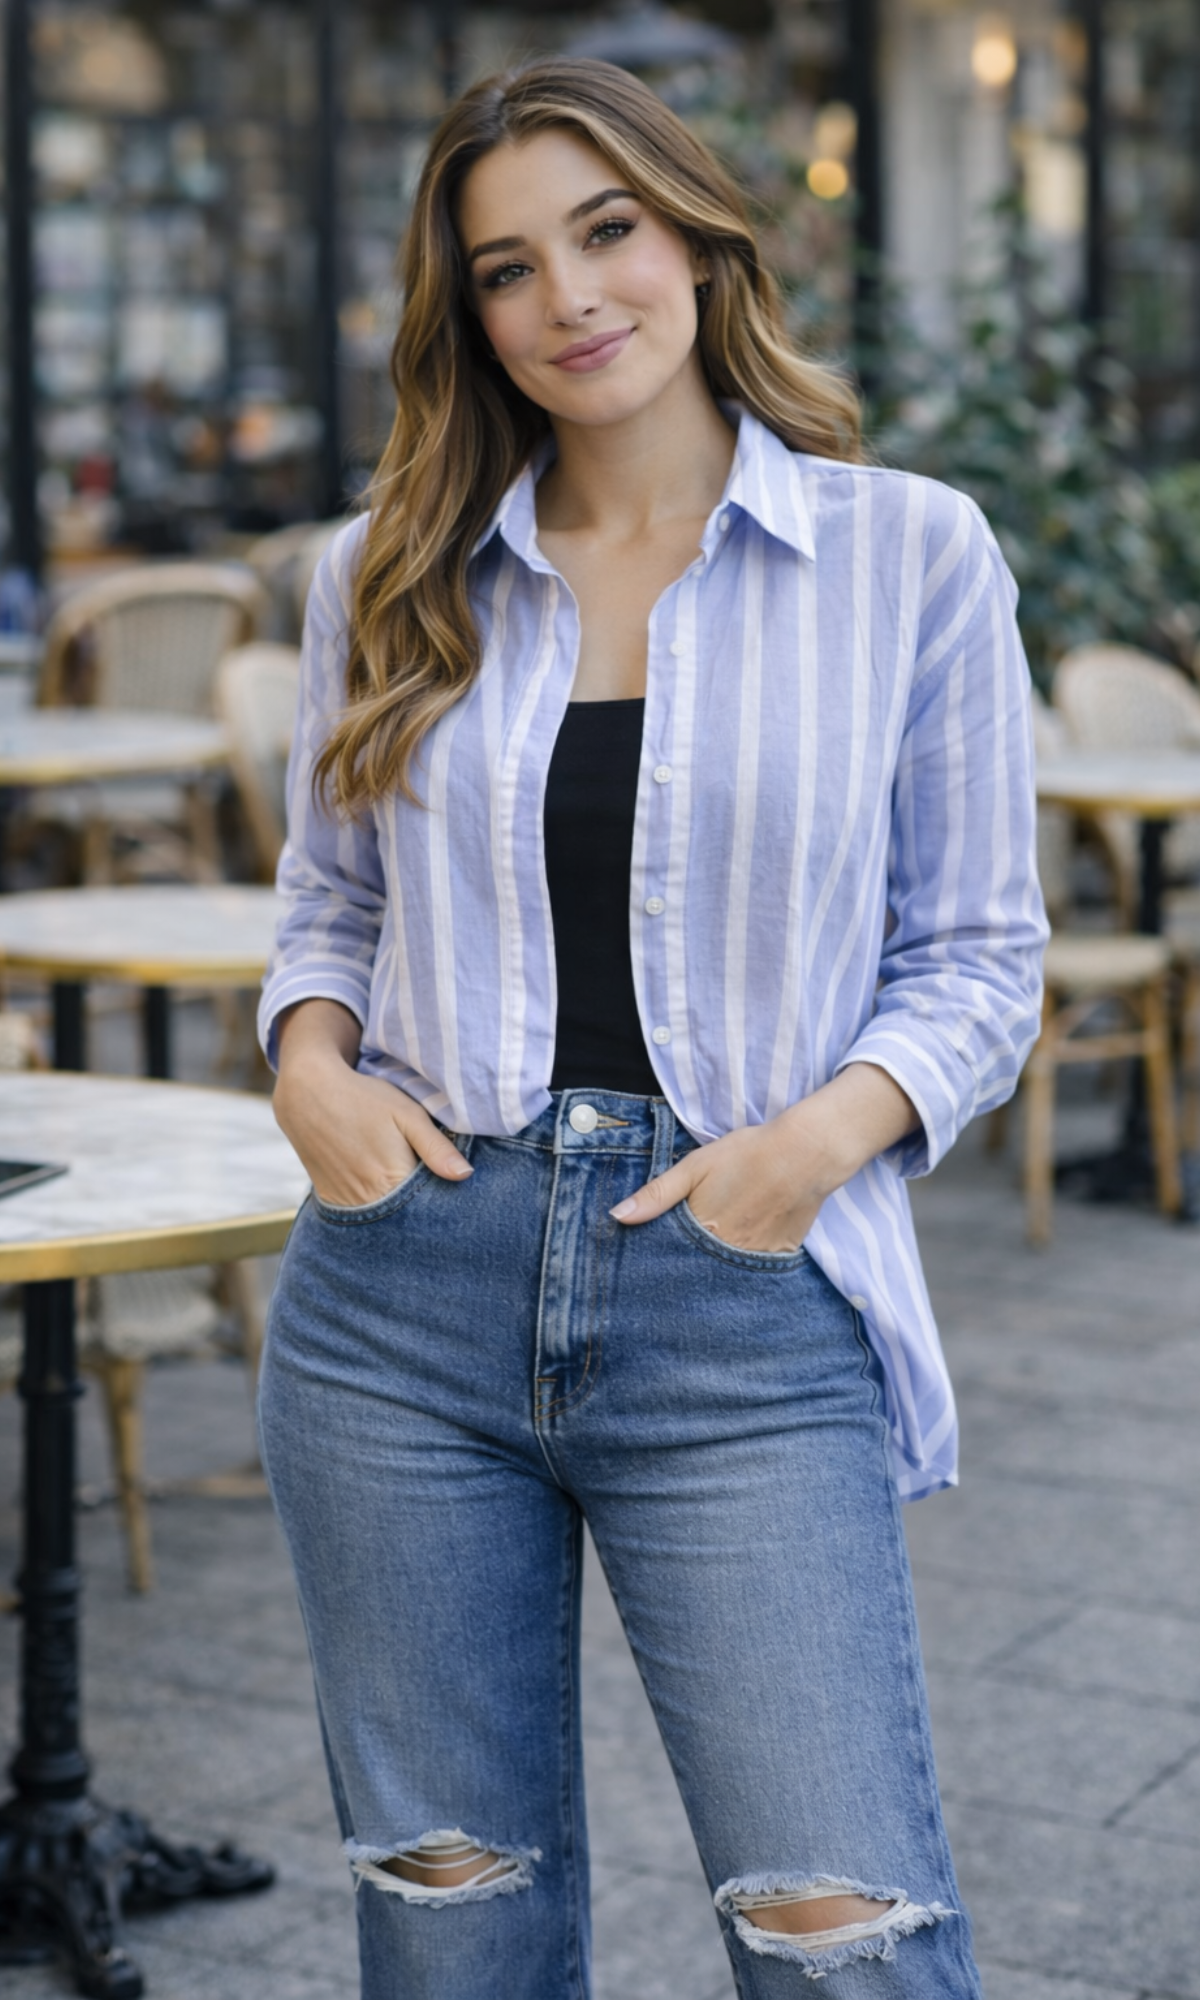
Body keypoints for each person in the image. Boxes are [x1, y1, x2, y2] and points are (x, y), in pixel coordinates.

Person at [257, 56, 1046, 2000]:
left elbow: (977, 956)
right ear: (470, 313)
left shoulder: (907, 557)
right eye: (508, 266)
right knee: (454, 1918)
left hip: (741, 1291)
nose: (570, 297)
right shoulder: (384, 571)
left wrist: (806, 1149)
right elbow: (328, 904)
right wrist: (307, 1072)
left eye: (605, 230)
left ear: (697, 235)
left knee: (841, 1931)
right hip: (396, 1297)